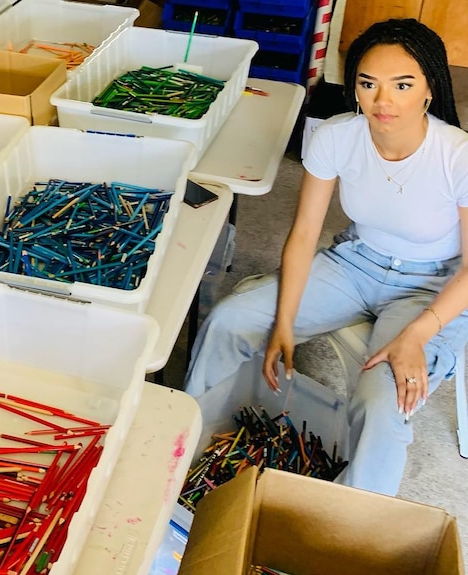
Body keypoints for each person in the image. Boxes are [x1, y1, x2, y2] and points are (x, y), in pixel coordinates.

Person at [183, 18, 468, 496]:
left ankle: (343, 530)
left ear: (429, 89)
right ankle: (184, 457)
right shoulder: (337, 135)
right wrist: (286, 321)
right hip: (355, 263)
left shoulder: (456, 155)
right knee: (230, 322)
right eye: (368, 83)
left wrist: (418, 333)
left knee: (384, 403)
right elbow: (304, 233)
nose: (383, 101)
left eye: (403, 85)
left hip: (433, 285)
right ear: (353, 88)